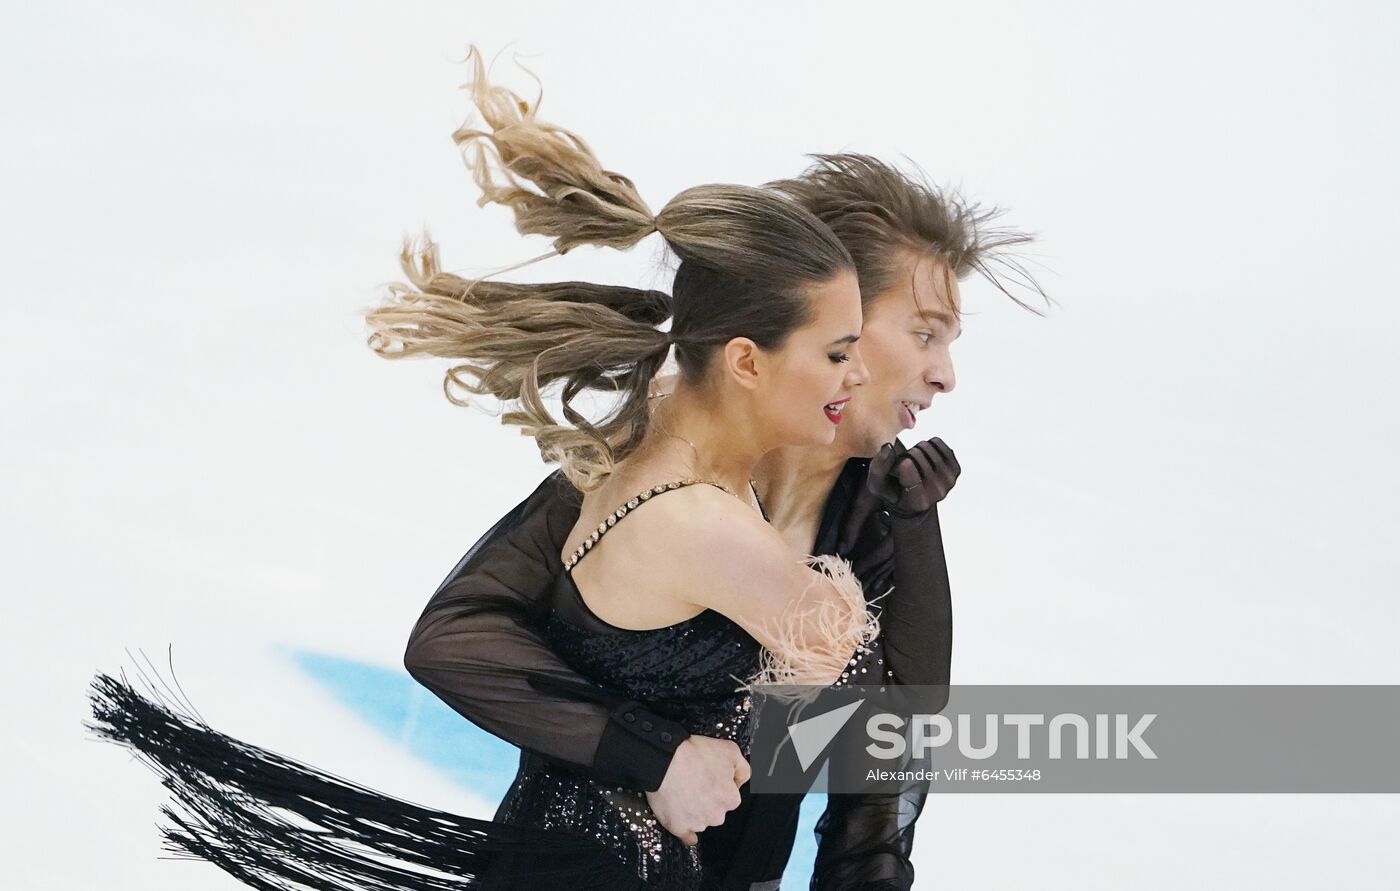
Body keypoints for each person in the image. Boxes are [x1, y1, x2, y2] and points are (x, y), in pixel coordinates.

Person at [86, 47, 896, 891]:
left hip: (565, 849)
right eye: (840, 351)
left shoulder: (641, 439)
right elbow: (886, 728)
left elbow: (461, 636)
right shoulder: (706, 528)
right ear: (745, 360)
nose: (860, 374)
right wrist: (900, 519)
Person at [405, 156, 1048, 891]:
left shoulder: (879, 509)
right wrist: (653, 752)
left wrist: (916, 530)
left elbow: (889, 744)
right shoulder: (657, 449)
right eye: (926, 334)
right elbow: (457, 636)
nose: (945, 374)